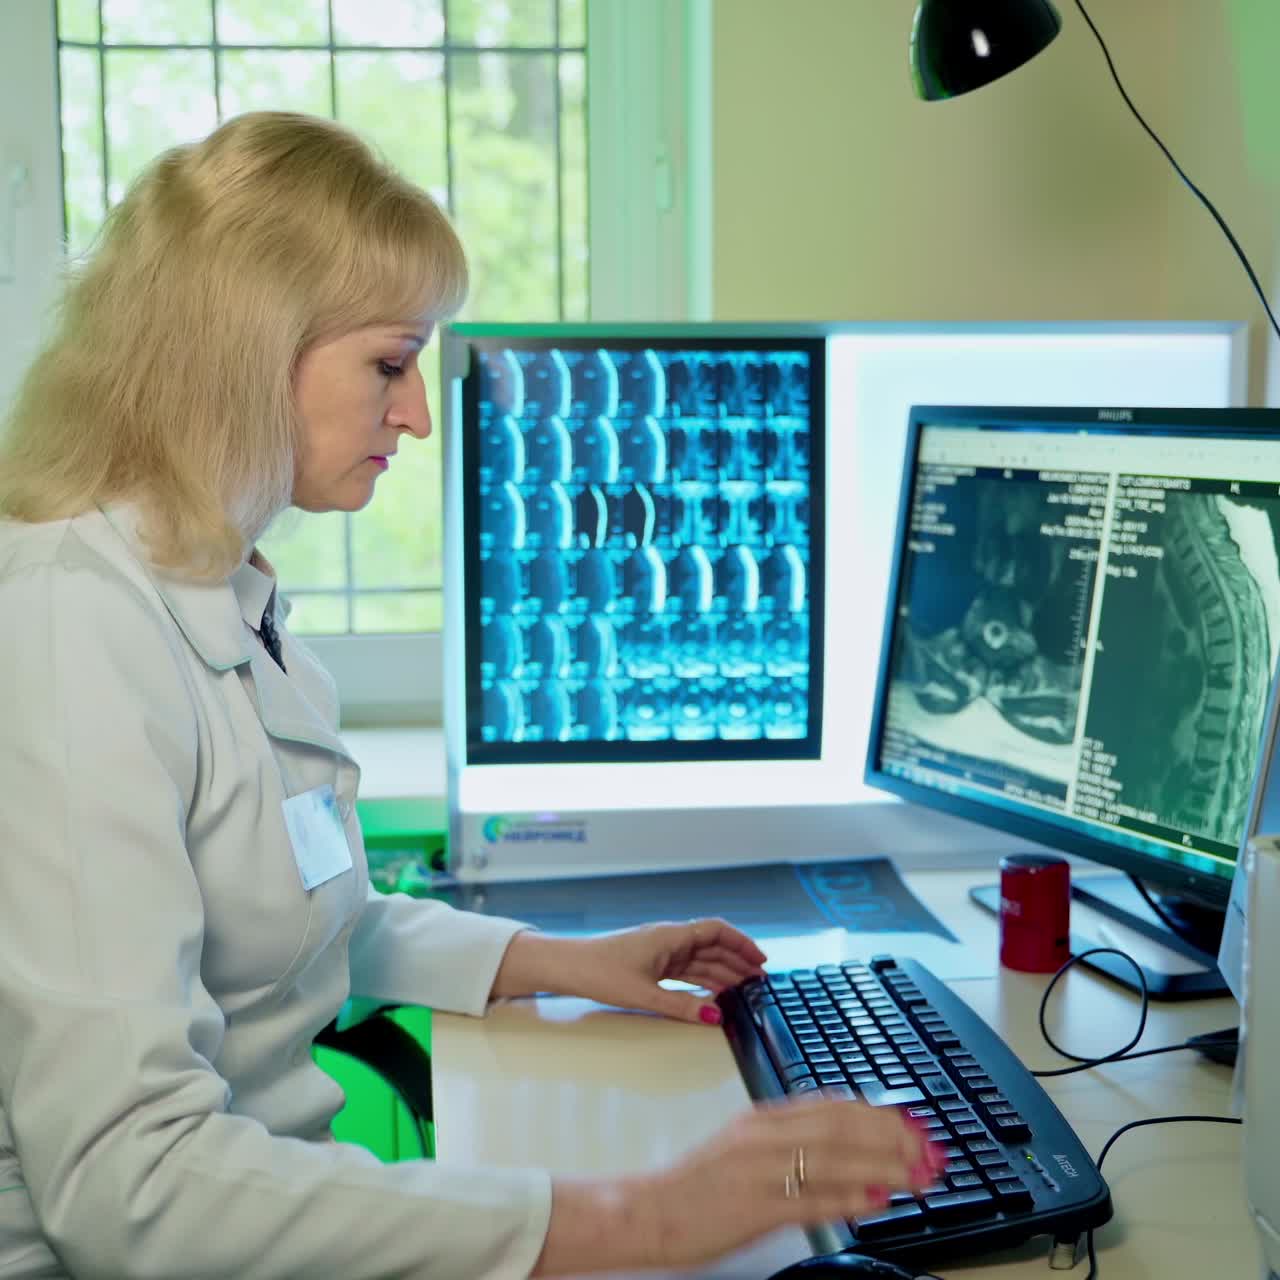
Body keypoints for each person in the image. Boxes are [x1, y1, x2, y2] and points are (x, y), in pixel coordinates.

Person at [0, 111, 938, 1279]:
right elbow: (127, 1185)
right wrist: (628, 1217)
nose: (418, 412)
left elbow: (295, 913)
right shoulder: (66, 627)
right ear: (246, 346)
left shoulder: (213, 585)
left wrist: (556, 957)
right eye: (390, 364)